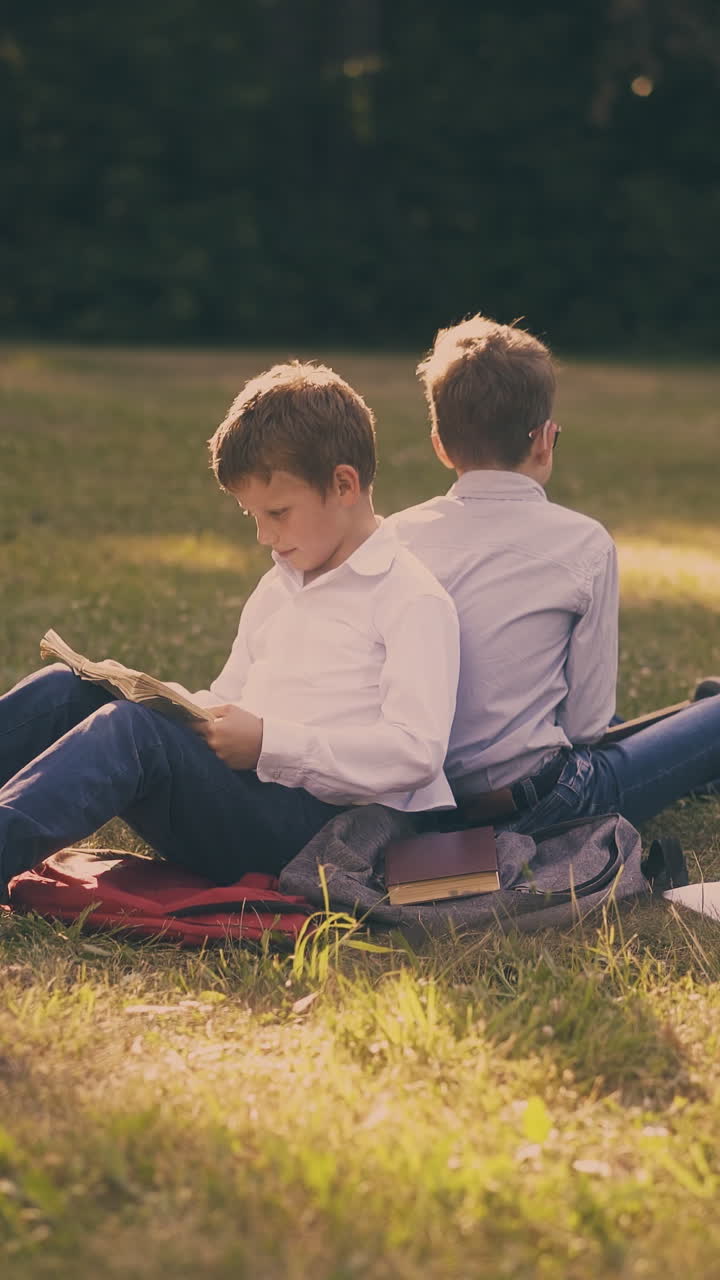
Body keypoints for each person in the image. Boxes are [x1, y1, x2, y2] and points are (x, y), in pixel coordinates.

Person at [0, 362, 459, 895]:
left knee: (129, 732)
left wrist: (271, 745)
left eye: (278, 512)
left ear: (344, 484)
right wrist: (168, 702)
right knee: (69, 690)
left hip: (316, 831)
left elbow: (414, 753)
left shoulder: (411, 597)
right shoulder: (279, 586)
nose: (265, 534)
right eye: (253, 517)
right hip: (243, 796)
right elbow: (228, 699)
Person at [387, 314, 720, 835]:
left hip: (414, 808)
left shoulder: (393, 536)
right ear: (544, 439)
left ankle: (687, 733)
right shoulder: (582, 543)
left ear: (440, 444)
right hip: (539, 805)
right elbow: (586, 727)